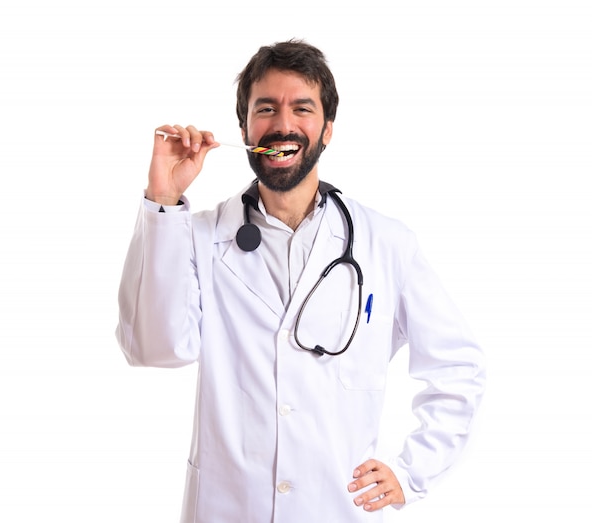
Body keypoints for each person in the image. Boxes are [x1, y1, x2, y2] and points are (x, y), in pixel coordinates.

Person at [116, 39, 486, 523]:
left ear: (327, 130)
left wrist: (411, 473)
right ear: (245, 128)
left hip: (334, 509)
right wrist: (163, 200)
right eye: (265, 108)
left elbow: (458, 368)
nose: (283, 124)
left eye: (302, 109)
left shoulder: (386, 244)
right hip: (228, 509)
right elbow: (154, 348)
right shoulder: (197, 236)